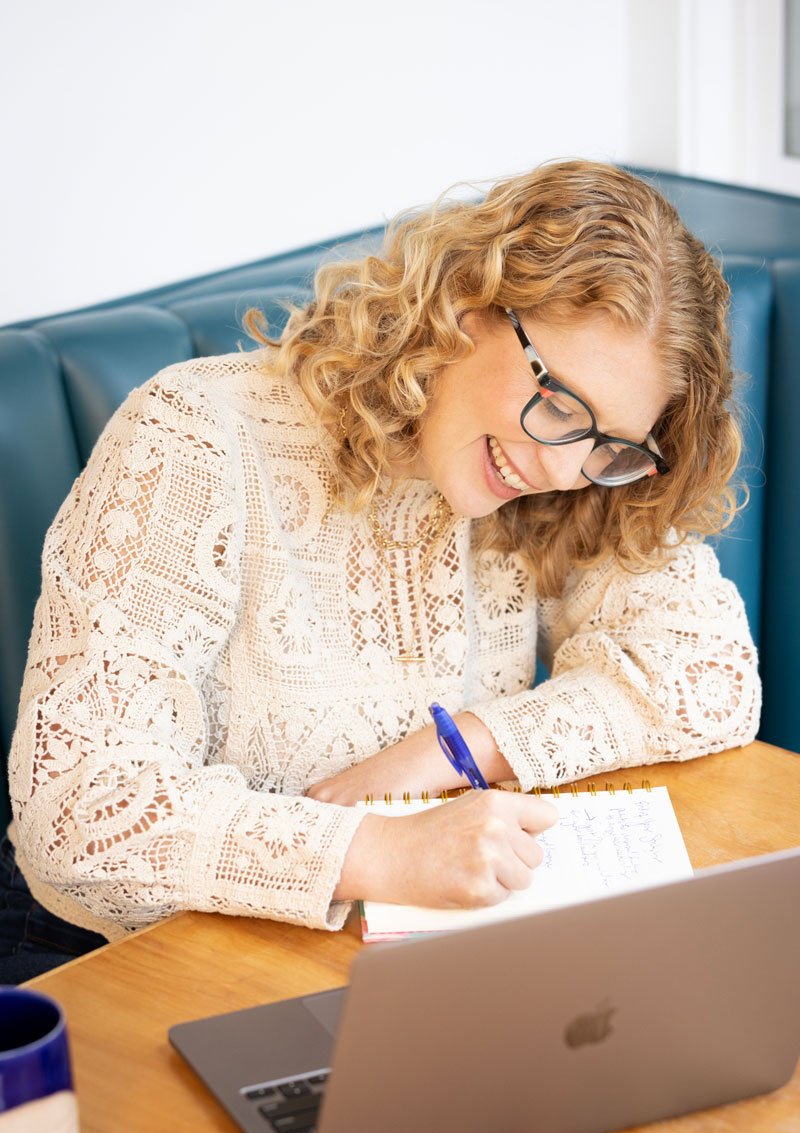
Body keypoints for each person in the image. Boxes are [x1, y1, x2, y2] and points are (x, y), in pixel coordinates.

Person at [2, 160, 760, 983]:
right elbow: (80, 810)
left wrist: (454, 751)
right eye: (561, 404)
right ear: (467, 304)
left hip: (382, 945)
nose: (561, 463)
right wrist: (377, 847)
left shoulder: (561, 478)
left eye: (609, 444)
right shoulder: (193, 438)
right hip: (124, 957)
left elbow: (707, 672)